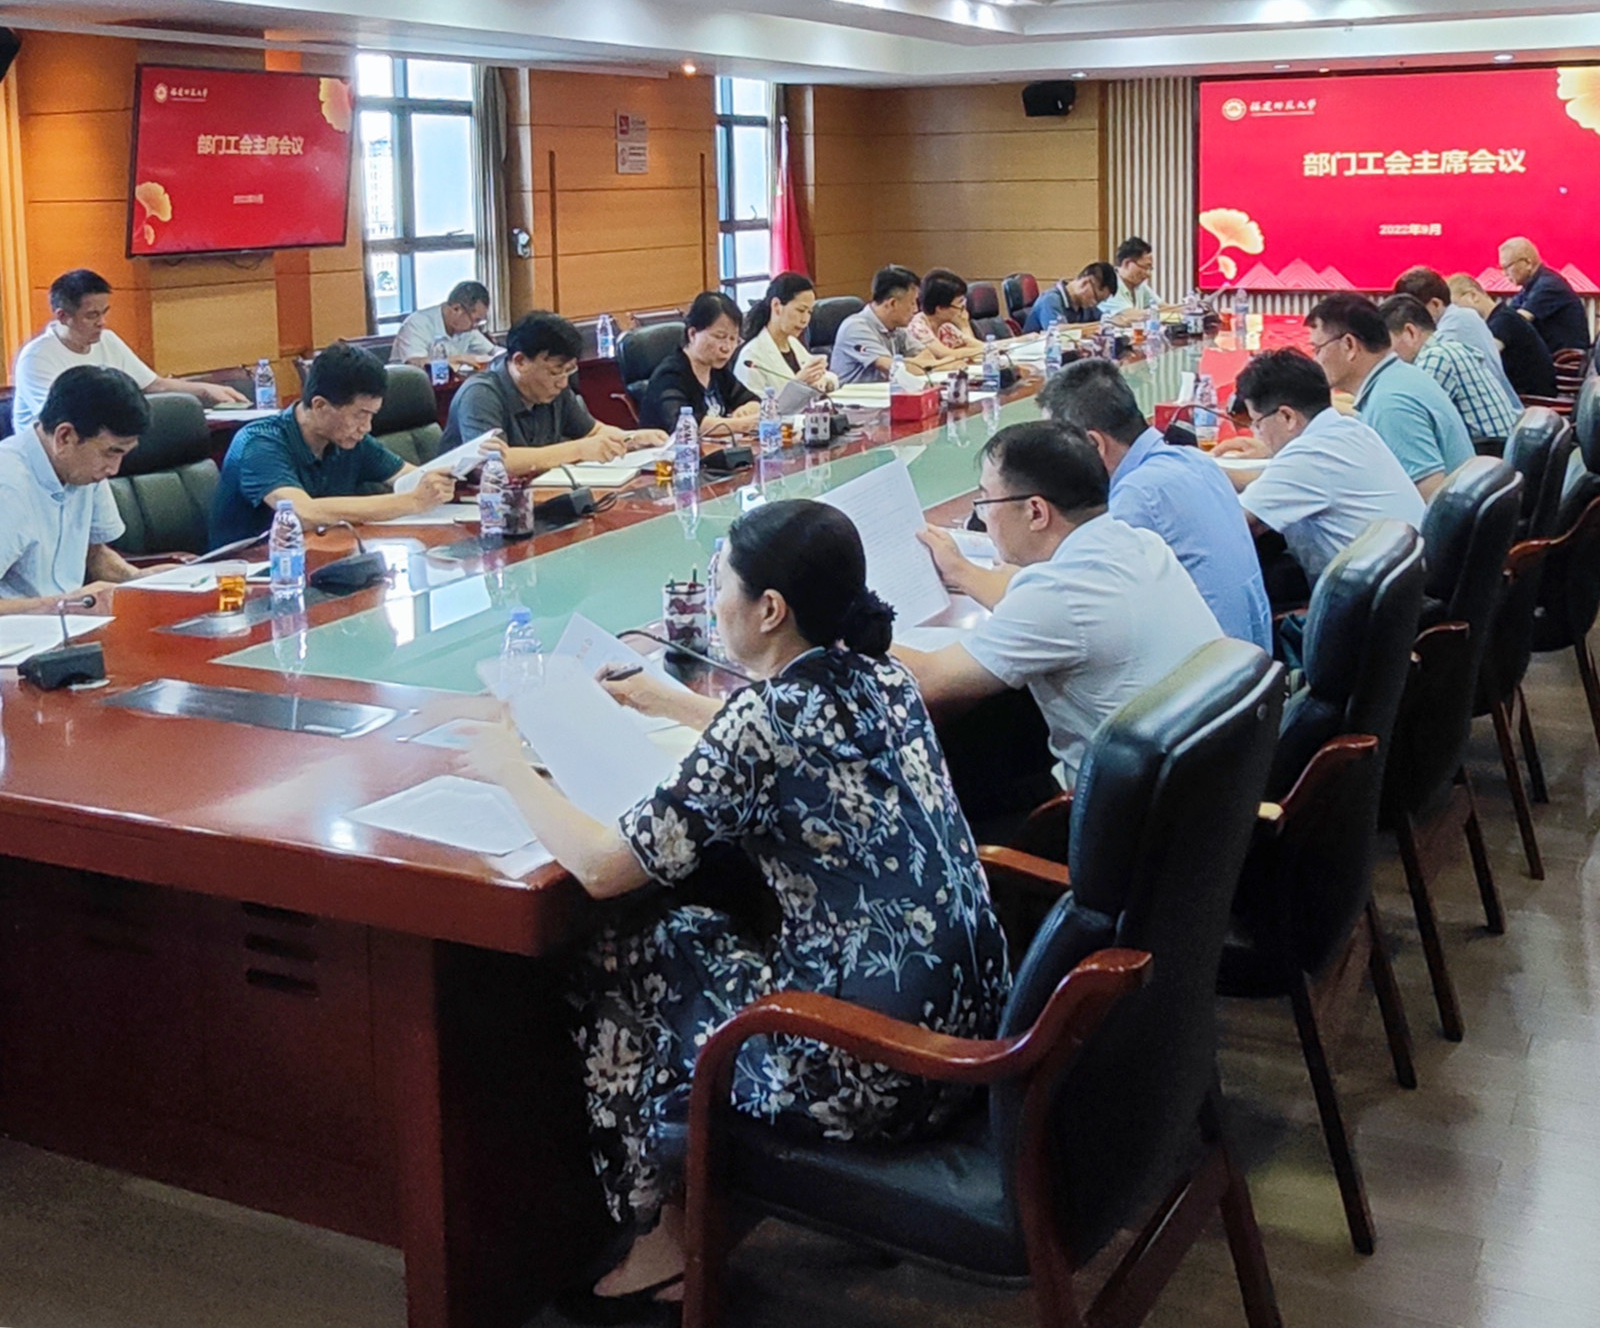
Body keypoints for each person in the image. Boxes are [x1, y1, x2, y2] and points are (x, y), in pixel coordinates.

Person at [458, 501, 1008, 1311]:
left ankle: (656, 1240)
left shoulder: (764, 718)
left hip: (866, 1072)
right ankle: (696, 1192)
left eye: (721, 586)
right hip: (964, 1043)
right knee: (707, 921)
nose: (715, 605)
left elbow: (604, 867)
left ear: (770, 608)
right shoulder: (885, 677)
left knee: (632, 942)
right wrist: (668, 701)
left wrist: (508, 765)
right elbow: (789, 740)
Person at [900, 422, 1224, 795]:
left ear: (1036, 512)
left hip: (1114, 812)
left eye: (986, 502)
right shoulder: (1139, 543)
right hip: (1195, 792)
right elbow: (1042, 609)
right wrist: (960, 570)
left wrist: (850, 618)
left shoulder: (1057, 595)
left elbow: (929, 680)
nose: (983, 517)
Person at [1038, 358, 1273, 650]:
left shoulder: (1137, 494)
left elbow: (1081, 609)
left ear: (1094, 443)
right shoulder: (1194, 460)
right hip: (1249, 660)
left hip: (1204, 666)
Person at [207, 342, 457, 547]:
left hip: (324, 557)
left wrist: (451, 475)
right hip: (248, 575)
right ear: (320, 406)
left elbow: (413, 478)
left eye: (372, 415)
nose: (367, 427)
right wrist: (412, 501)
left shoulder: (350, 440)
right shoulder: (259, 442)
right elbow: (303, 513)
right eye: (360, 415)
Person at [1221, 348, 1426, 582]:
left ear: (1287, 416)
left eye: (1257, 423)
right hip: (1407, 583)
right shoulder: (1351, 430)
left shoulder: (1309, 455)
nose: (1256, 433)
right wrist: (1215, 473)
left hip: (1365, 594)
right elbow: (1274, 480)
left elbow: (1234, 523)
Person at [11, 269, 245, 433]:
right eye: (92, 315)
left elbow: (153, 385)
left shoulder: (108, 340)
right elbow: (59, 419)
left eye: (105, 313)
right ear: (63, 316)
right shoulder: (37, 357)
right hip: (50, 459)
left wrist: (205, 390)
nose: (102, 322)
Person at [0, 366, 149, 614]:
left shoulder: (83, 470)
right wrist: (63, 605)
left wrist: (142, 580)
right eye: (111, 452)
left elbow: (95, 555)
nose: (114, 469)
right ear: (65, 437)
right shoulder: (7, 484)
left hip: (67, 626)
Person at [443, 311, 668, 474]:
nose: (563, 383)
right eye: (555, 372)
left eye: (569, 371)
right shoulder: (480, 394)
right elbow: (496, 463)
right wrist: (578, 450)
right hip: (474, 509)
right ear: (520, 361)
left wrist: (632, 439)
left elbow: (593, 432)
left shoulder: (555, 390)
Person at [1300, 294, 1472, 497]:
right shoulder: (1399, 377)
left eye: (1317, 349)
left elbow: (1428, 498)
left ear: (1349, 345)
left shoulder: (1389, 403)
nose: (1315, 360)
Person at [1380, 293, 1521, 449]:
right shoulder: (1451, 347)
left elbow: (1409, 416)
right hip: (1500, 451)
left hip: (1489, 452)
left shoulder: (1436, 357)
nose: (1386, 353)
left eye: (1388, 343)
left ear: (1410, 332)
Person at [638, 293, 764, 436]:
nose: (727, 347)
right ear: (692, 334)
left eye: (733, 339)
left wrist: (748, 409)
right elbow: (684, 425)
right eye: (719, 337)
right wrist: (741, 425)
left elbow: (752, 400)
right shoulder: (669, 376)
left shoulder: (718, 372)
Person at [832, 266, 964, 384]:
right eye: (912, 303)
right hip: (855, 402)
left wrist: (914, 365)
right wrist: (941, 365)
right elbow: (893, 368)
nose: (916, 309)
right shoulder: (856, 328)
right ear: (892, 303)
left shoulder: (898, 327)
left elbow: (926, 355)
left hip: (887, 397)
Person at [731, 272, 836, 401]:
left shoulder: (793, 343)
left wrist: (823, 381)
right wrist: (797, 385)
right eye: (800, 310)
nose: (805, 320)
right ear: (776, 306)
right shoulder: (752, 357)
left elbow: (829, 377)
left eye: (809, 312)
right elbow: (755, 408)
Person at [1455, 272, 1559, 399]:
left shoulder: (1503, 321)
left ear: (1473, 296)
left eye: (1456, 306)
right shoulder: (1503, 316)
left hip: (1531, 400)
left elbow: (1481, 360)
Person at [1394, 266, 1505, 375]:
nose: (1413, 321)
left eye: (1415, 313)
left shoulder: (1456, 324)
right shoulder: (1463, 316)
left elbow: (1425, 371)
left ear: (1435, 304)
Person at [1496, 236, 1589, 354]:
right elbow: (1507, 316)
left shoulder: (1549, 285)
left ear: (1527, 263)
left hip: (1566, 359)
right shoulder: (1529, 287)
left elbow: (1517, 322)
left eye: (1507, 267)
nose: (1504, 274)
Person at [389, 280, 498, 373]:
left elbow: (493, 351)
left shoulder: (467, 329)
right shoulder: (417, 323)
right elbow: (414, 364)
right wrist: (458, 359)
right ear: (456, 309)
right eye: (476, 320)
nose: (475, 326)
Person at [907, 269, 989, 361]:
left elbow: (975, 345)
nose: (963, 307)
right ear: (940, 308)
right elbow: (946, 354)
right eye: (959, 303)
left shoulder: (946, 326)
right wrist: (984, 350)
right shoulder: (917, 327)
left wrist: (964, 325)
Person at [1021, 262, 1116, 333]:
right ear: (1085, 283)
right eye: (1096, 298)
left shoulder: (1085, 305)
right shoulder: (1050, 300)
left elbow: (1106, 320)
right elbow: (1058, 331)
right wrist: (1095, 327)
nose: (1095, 304)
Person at [1097, 237, 1160, 324]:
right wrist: (1156, 313)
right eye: (1145, 268)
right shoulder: (1109, 284)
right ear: (1127, 264)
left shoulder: (1139, 286)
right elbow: (1132, 316)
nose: (1148, 274)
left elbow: (1163, 307)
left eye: (1150, 268)